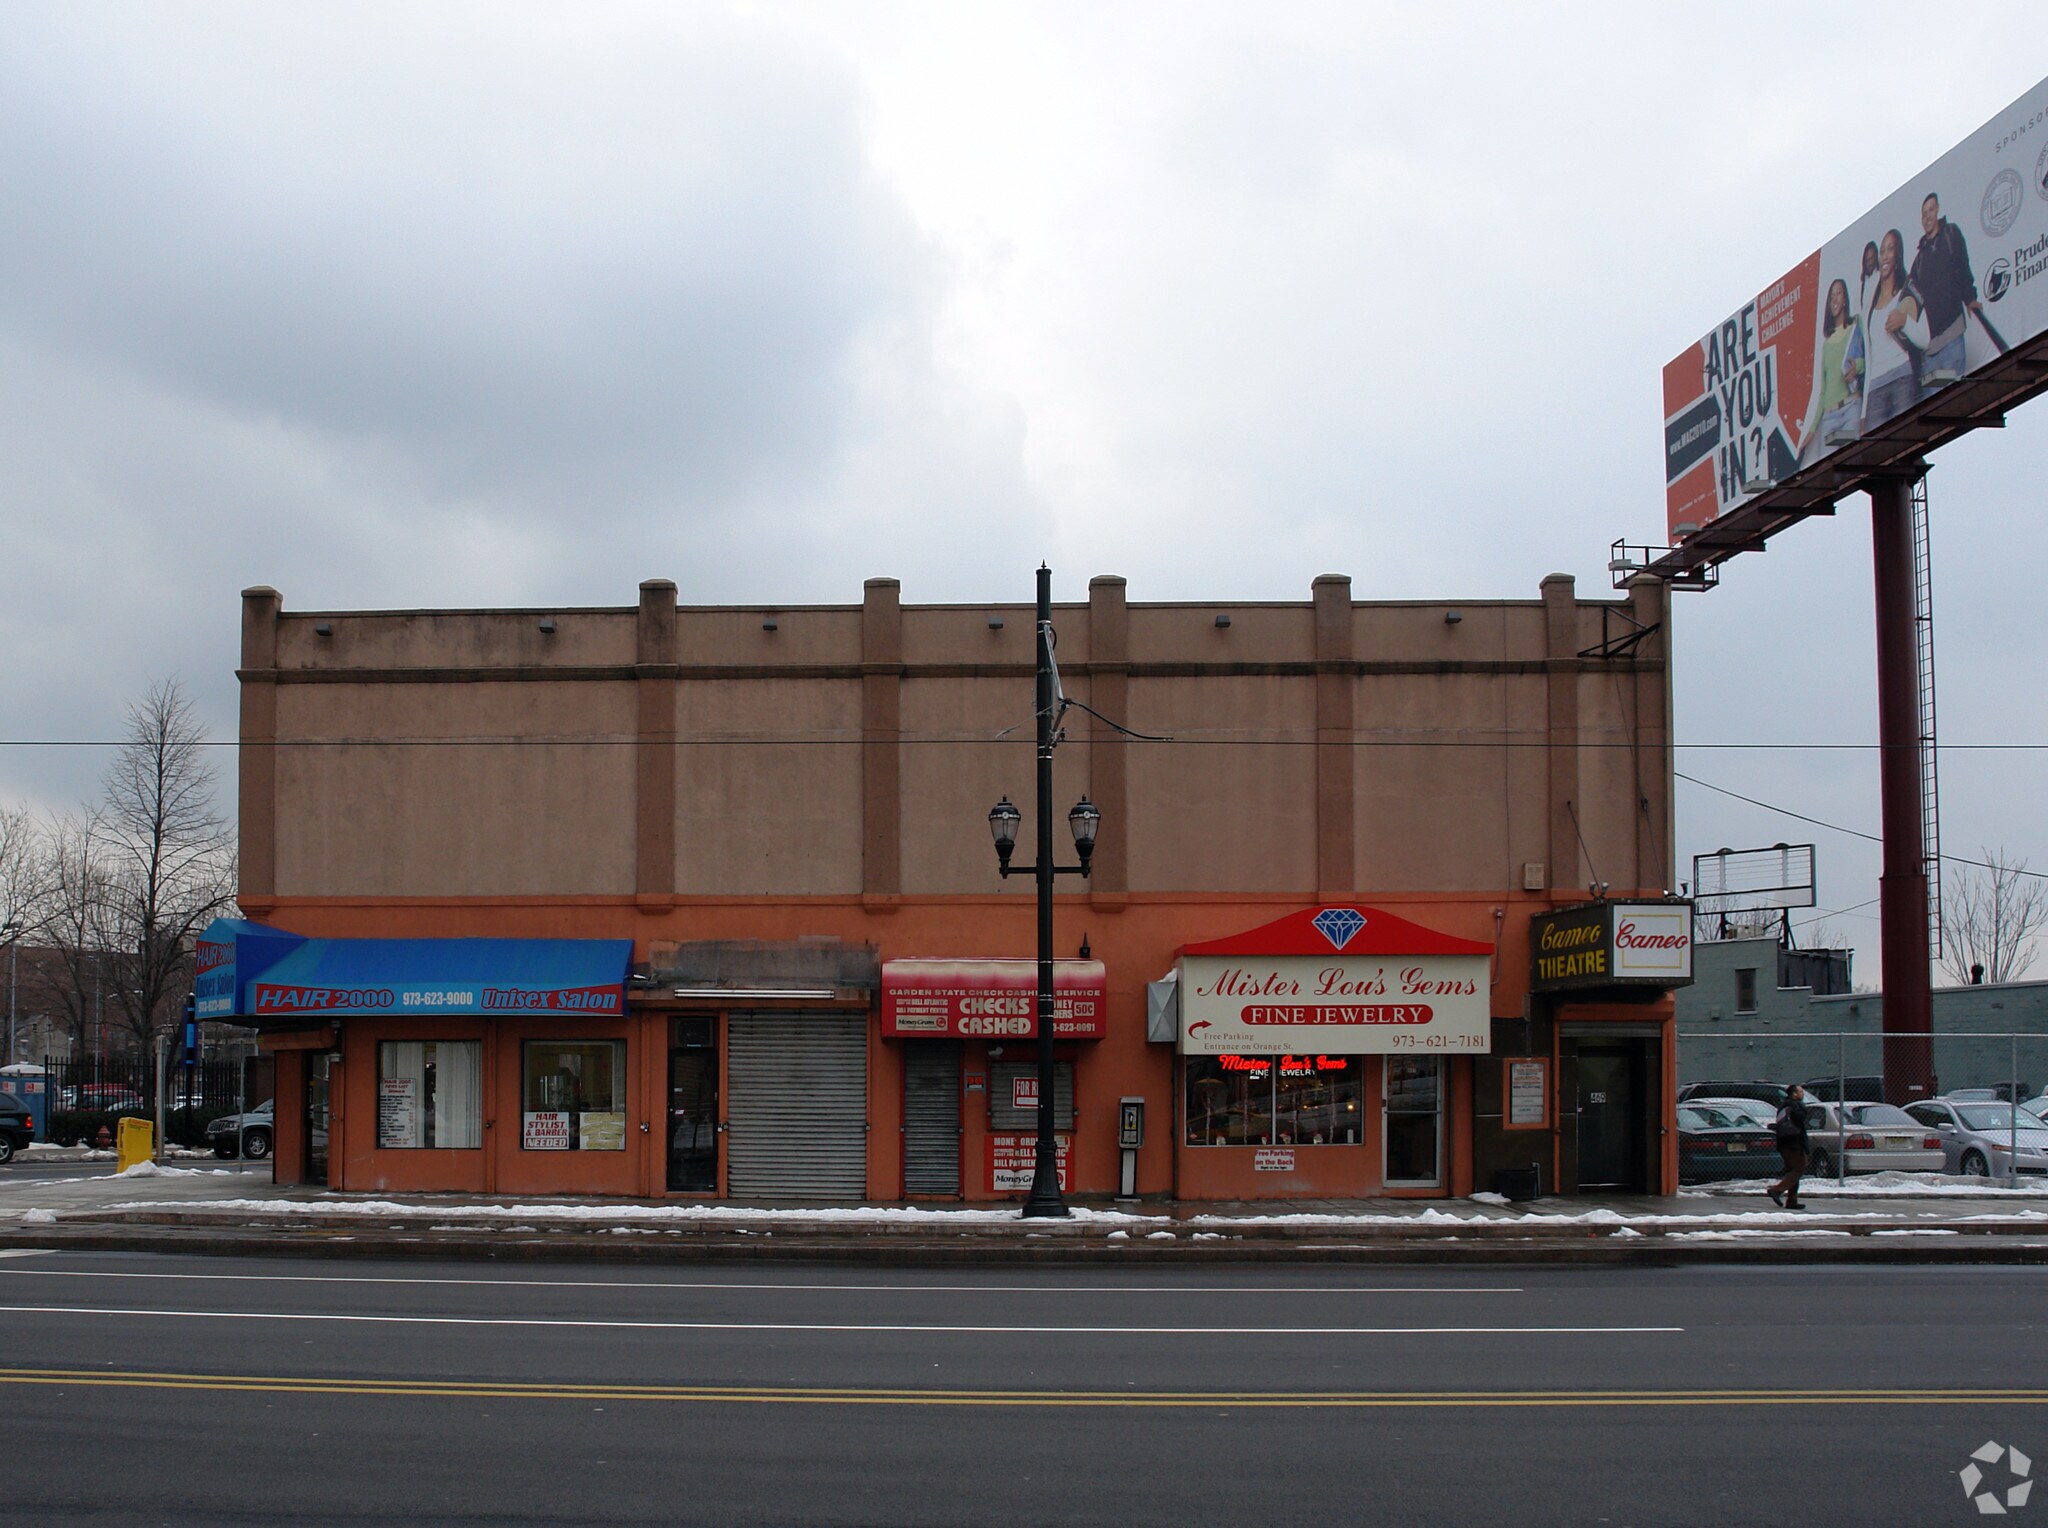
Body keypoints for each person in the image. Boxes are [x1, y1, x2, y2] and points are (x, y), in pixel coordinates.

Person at [1909, 192, 1979, 386]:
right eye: (1924, 214)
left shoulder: (1950, 233)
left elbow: (1962, 267)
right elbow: (1913, 304)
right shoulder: (1919, 260)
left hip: (1952, 340)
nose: (1928, 217)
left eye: (1931, 210)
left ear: (1938, 209)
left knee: (1953, 399)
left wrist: (1970, 298)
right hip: (1929, 354)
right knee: (1936, 409)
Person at [1862, 228, 1928, 431]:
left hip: (1902, 378)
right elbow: (1869, 359)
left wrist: (1904, 321)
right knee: (1876, 457)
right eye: (1882, 251)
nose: (1885, 256)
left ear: (1898, 254)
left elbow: (1925, 339)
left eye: (1891, 249)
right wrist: (1863, 411)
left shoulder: (1907, 289)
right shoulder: (1870, 303)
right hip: (1876, 388)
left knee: (1907, 440)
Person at [1769, 1084, 1810, 1208]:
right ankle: (1777, 1190)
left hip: (1784, 1142)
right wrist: (1803, 1109)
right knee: (1799, 1168)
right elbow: (1800, 1119)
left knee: (1793, 1171)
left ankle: (1792, 1201)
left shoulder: (1784, 1105)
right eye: (1800, 1091)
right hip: (1793, 1143)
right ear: (1794, 1094)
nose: (1803, 1094)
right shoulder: (1794, 1106)